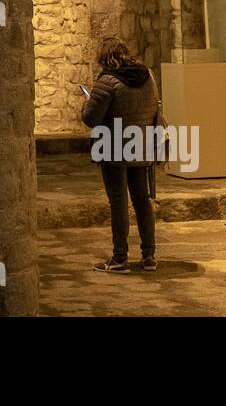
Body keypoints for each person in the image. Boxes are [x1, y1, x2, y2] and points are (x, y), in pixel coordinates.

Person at [81, 36, 160, 273]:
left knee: (118, 202)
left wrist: (85, 104)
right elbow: (154, 108)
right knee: (141, 200)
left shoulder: (107, 81)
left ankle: (119, 258)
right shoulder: (148, 75)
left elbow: (91, 118)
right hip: (140, 144)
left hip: (113, 147)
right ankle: (149, 256)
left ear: (104, 57)